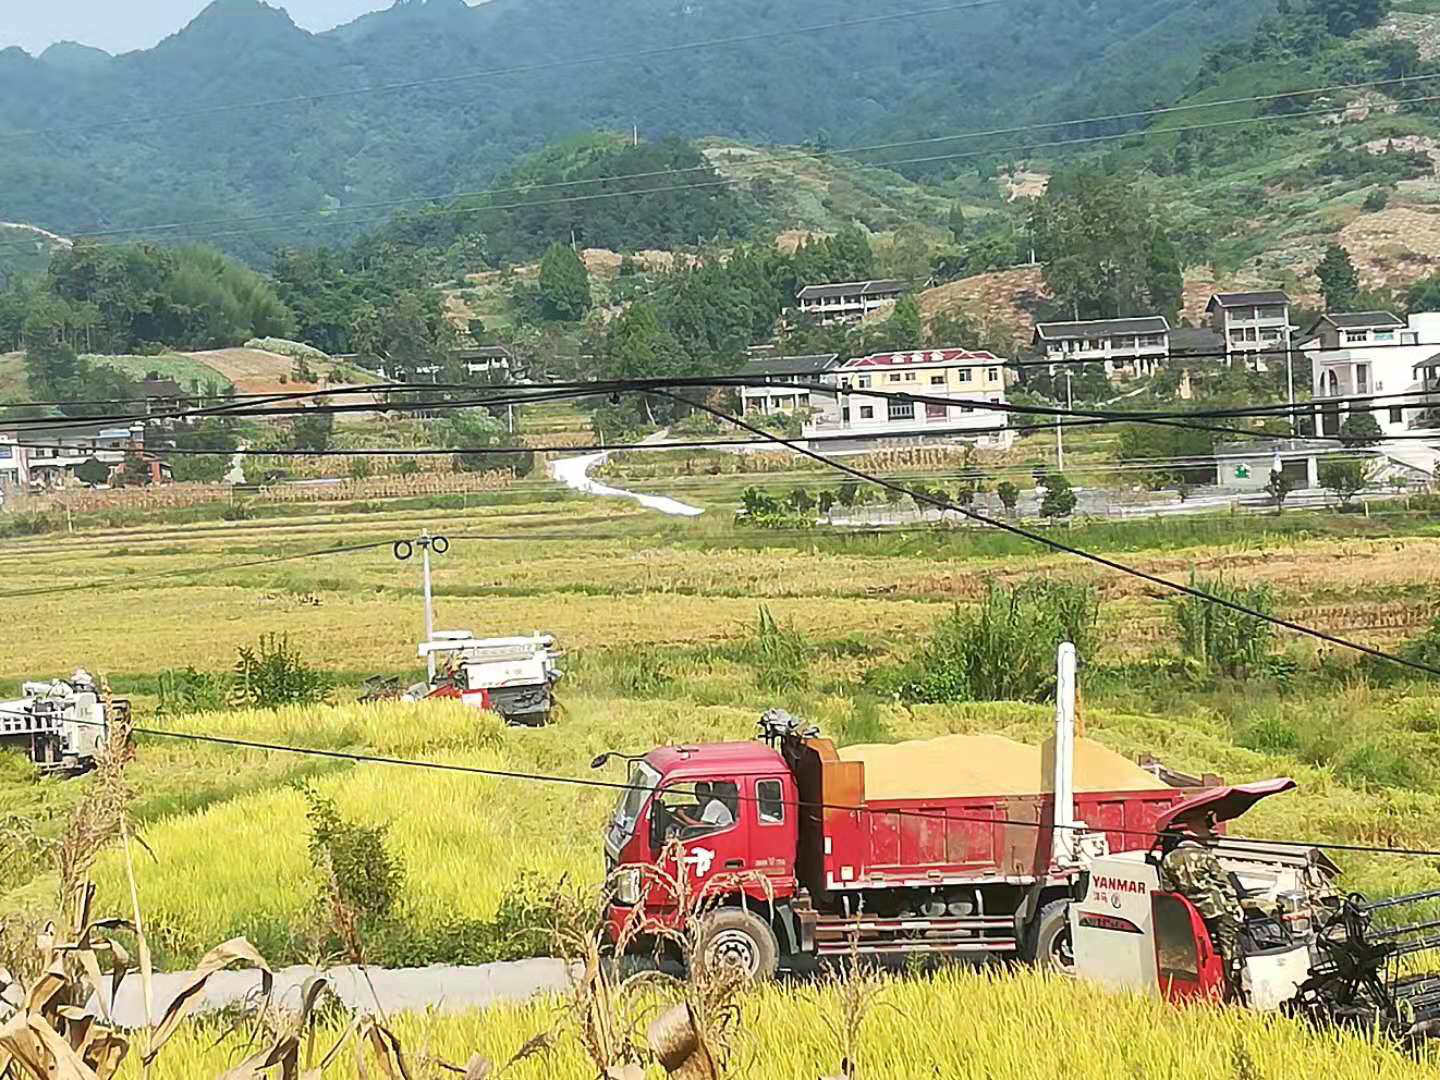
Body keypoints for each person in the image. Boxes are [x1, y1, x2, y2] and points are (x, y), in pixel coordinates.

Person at [1160, 810, 1245, 999]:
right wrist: (1236, 907)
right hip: (1220, 910)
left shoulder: (1168, 860)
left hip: (1194, 914)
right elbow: (1225, 884)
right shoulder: (1205, 856)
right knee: (1230, 952)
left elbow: (1167, 888)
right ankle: (1232, 990)